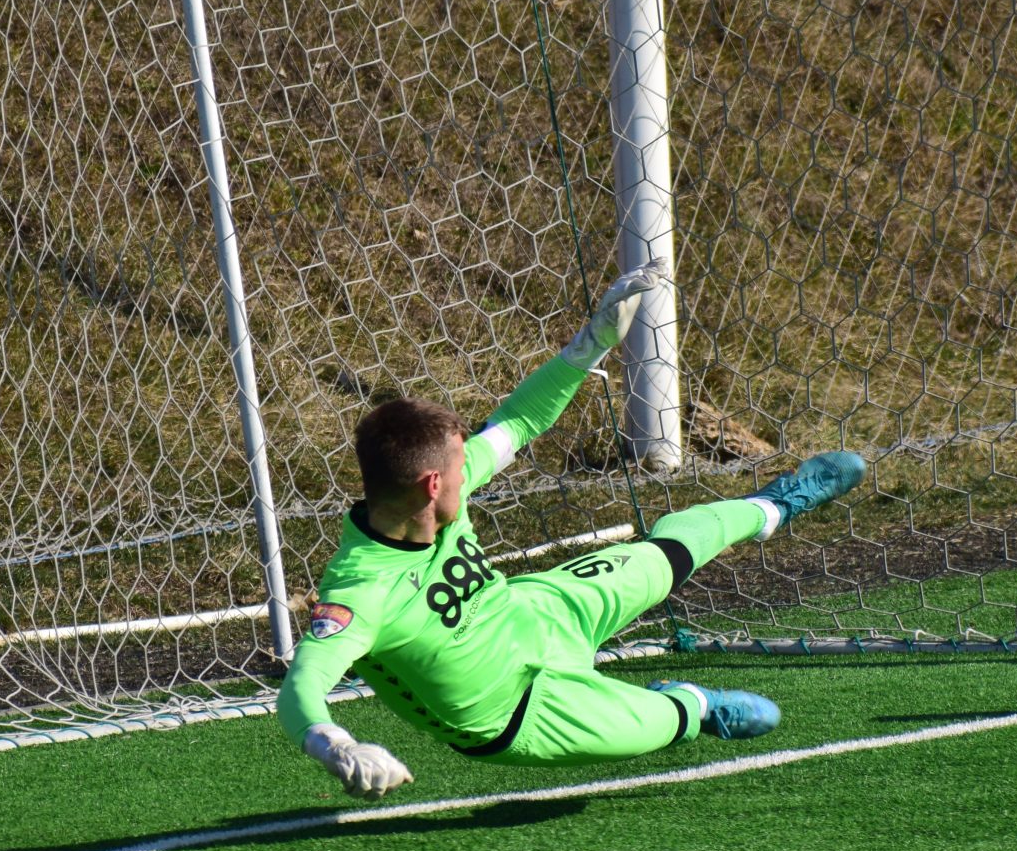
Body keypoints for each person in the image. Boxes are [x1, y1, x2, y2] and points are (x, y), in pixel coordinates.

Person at [280, 264, 864, 800]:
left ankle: (773, 507)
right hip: (525, 713)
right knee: (662, 725)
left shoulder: (428, 492)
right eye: (462, 467)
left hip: (539, 611)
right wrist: (336, 743)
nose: (473, 468)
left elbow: (519, 420)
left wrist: (591, 343)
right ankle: (694, 705)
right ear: (433, 486)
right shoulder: (360, 592)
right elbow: (300, 689)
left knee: (664, 557)